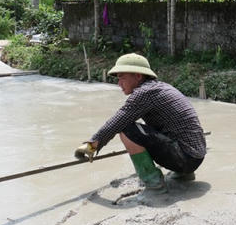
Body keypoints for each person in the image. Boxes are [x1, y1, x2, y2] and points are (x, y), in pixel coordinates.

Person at [74, 53, 206, 191]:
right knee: (153, 129)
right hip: (196, 155)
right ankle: (184, 175)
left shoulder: (144, 93)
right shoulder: (162, 87)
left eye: (122, 77)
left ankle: (154, 183)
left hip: (185, 158)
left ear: (138, 76)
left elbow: (117, 122)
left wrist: (91, 145)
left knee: (127, 130)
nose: (119, 84)